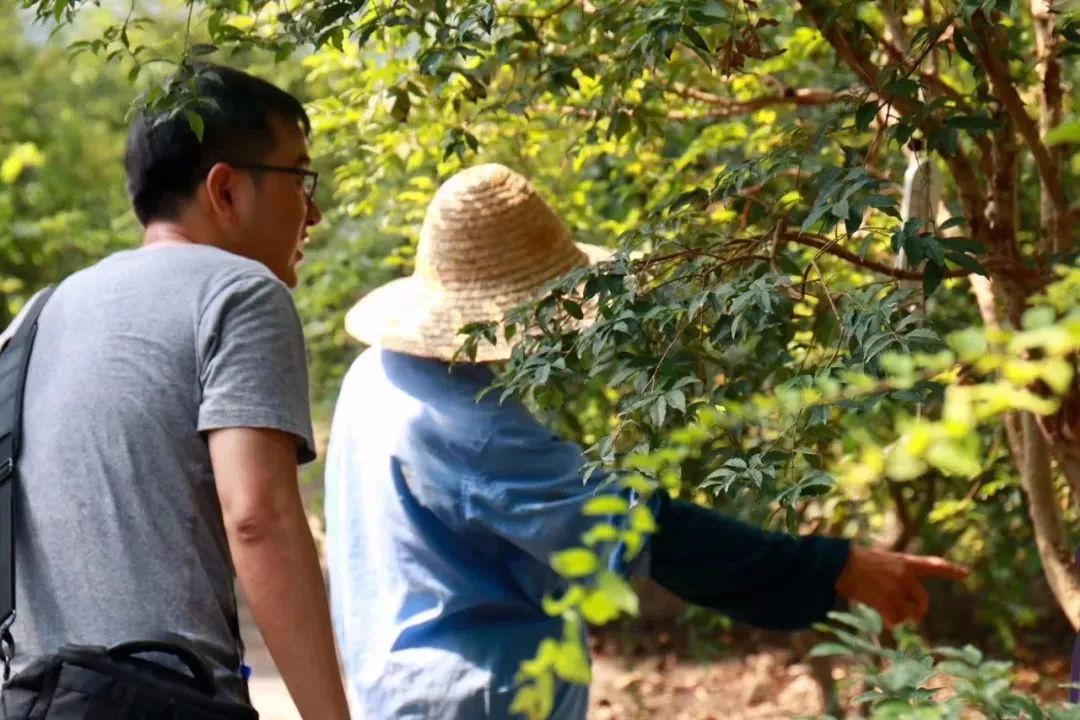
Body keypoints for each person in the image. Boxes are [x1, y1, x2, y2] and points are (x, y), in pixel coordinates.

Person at [324, 163, 969, 719]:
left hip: (395, 693)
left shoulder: (376, 376)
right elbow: (652, 534)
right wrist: (840, 568)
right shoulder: (474, 428)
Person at [2, 64, 350, 719]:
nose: (316, 212)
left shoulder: (37, 318)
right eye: (301, 178)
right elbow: (259, 517)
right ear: (225, 189)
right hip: (162, 701)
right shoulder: (239, 294)